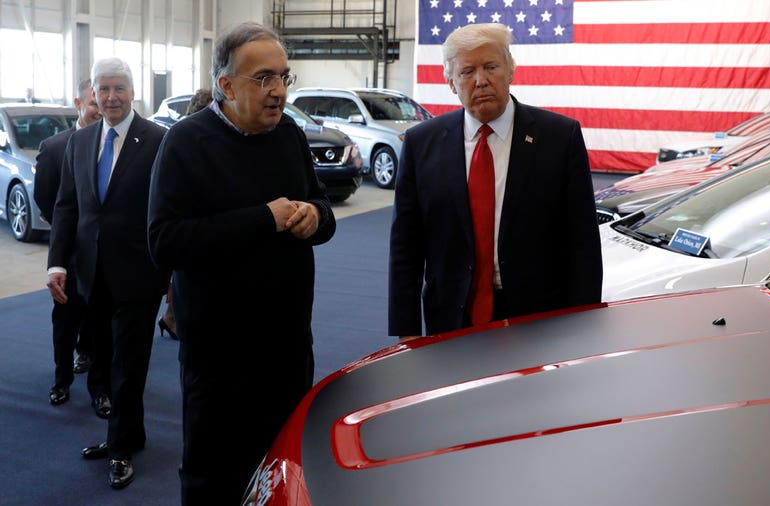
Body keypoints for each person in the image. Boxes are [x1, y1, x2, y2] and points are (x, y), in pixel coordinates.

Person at [147, 22, 336, 504]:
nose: (278, 92)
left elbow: (323, 208)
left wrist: (316, 216)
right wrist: (262, 220)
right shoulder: (186, 142)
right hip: (220, 357)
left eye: (283, 78)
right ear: (226, 86)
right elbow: (165, 242)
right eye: (264, 79)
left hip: (288, 346)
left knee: (283, 468)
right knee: (214, 476)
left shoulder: (290, 134)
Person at [388, 23, 602, 338]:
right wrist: (406, 329)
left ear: (510, 70)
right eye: (467, 71)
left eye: (491, 67)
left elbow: (582, 242)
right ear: (451, 83)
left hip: (538, 320)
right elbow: (406, 243)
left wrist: (582, 325)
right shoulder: (421, 143)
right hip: (451, 317)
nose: (481, 80)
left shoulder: (559, 137)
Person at [47, 57, 169, 490]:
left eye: (119, 88)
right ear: (92, 95)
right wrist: (57, 263)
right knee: (101, 357)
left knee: (128, 366)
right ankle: (125, 434)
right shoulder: (79, 143)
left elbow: (168, 208)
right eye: (104, 90)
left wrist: (171, 275)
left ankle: (120, 450)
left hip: (139, 274)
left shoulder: (158, 141)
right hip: (88, 273)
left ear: (133, 92)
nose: (112, 97)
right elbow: (67, 207)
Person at [35, 78, 101, 406]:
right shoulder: (56, 148)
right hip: (70, 254)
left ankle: (91, 366)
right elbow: (47, 200)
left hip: (105, 257)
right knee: (64, 321)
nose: (101, 108)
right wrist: (66, 239)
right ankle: (62, 379)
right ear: (79, 104)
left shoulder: (116, 145)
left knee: (98, 319)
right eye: (94, 101)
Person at [156, 88, 214, 342]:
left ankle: (170, 318)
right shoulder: (184, 139)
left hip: (192, 222)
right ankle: (170, 318)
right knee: (183, 276)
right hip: (186, 222)